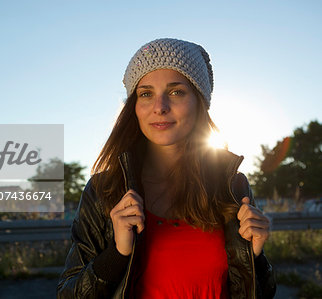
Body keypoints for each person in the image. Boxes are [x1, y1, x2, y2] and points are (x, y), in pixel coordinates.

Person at [57, 38, 276, 298]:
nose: (160, 107)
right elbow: (69, 293)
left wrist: (256, 257)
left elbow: (261, 292)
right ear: (134, 108)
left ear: (199, 102)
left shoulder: (231, 186)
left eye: (176, 92)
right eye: (146, 94)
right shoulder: (104, 190)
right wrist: (117, 253)